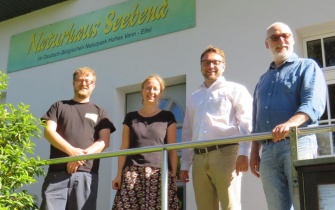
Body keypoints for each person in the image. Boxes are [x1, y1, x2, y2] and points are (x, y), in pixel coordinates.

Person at [250, 22, 327, 210]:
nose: (281, 40)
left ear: (292, 39)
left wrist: (290, 124)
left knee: (305, 202)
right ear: (267, 44)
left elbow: (313, 103)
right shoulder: (262, 80)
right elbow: (256, 119)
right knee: (276, 207)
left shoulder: (307, 67)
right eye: (275, 37)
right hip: (268, 151)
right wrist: (254, 152)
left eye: (285, 35)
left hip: (298, 142)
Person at [179, 46, 253, 210]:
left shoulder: (235, 90)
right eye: (206, 62)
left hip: (226, 155)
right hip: (198, 158)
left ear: (223, 66)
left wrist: (244, 152)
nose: (210, 66)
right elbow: (187, 132)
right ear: (200, 66)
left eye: (215, 62)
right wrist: (185, 165)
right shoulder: (194, 97)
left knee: (230, 206)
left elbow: (246, 122)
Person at [40, 67, 116, 210]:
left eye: (88, 81)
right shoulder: (58, 106)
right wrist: (72, 153)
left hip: (86, 175)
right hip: (57, 173)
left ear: (93, 86)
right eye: (80, 80)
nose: (84, 83)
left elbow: (104, 142)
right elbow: (48, 132)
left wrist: (79, 158)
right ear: (73, 83)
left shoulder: (101, 112)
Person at [111, 74, 179, 210]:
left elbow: (172, 150)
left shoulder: (168, 117)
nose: (151, 92)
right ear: (142, 91)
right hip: (132, 171)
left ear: (160, 93)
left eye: (155, 89)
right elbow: (124, 146)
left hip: (158, 172)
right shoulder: (130, 117)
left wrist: (173, 176)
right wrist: (119, 174)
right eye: (148, 88)